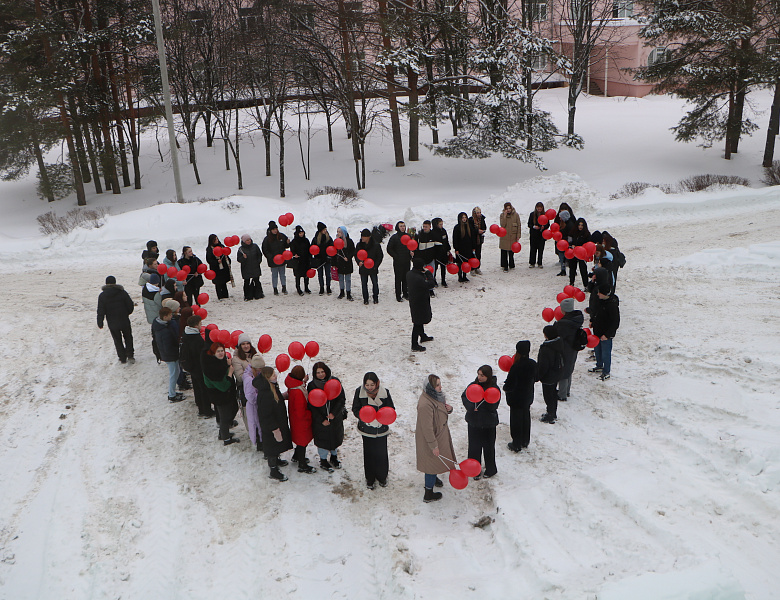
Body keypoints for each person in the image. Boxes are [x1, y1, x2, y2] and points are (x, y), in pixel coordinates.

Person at [415, 374, 455, 503]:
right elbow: (427, 428)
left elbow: (439, 410)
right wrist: (433, 445)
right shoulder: (425, 404)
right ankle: (428, 493)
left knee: (435, 462)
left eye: (440, 384)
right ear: (431, 387)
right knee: (431, 465)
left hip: (439, 434)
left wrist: (449, 409)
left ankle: (434, 477)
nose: (440, 387)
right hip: (431, 438)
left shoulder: (434, 396)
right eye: (437, 385)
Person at [352, 372, 395, 489]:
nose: (369, 387)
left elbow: (391, 408)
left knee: (381, 453)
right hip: (367, 430)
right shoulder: (359, 392)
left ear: (377, 383)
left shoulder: (385, 392)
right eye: (367, 385)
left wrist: (383, 418)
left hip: (381, 429)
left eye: (372, 384)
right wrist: (365, 418)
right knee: (369, 454)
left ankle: (382, 476)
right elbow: (355, 409)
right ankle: (369, 478)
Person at [461, 365, 500, 479]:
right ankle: (474, 470)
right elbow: (465, 397)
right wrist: (472, 407)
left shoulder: (494, 388)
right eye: (478, 374)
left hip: (488, 423)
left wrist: (482, 406)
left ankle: (491, 469)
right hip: (474, 422)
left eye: (482, 375)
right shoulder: (473, 385)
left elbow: (494, 404)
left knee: (488, 447)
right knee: (474, 447)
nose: (479, 377)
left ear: (488, 376)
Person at [307, 361, 346, 472]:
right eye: (318, 372)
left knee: (335, 438)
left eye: (322, 371)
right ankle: (323, 460)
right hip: (321, 421)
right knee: (323, 441)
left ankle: (334, 457)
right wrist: (321, 419)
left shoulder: (335, 382)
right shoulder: (312, 385)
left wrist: (334, 413)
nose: (321, 374)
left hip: (335, 418)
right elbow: (311, 405)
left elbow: (341, 399)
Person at [255, 366, 293, 481]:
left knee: (276, 446)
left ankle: (277, 460)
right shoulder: (266, 393)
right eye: (273, 375)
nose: (275, 376)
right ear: (267, 378)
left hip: (277, 423)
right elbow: (266, 414)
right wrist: (274, 429)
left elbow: (275, 400)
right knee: (272, 448)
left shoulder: (271, 387)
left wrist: (283, 396)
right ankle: (273, 470)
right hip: (271, 427)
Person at [201, 342, 240, 445]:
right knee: (224, 417)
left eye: (222, 350)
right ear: (213, 353)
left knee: (232, 410)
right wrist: (230, 372)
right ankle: (226, 439)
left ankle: (223, 433)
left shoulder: (220, 361)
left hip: (227, 395)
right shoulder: (211, 369)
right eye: (218, 351)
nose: (221, 353)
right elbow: (223, 386)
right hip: (220, 396)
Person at [503, 341, 536, 452]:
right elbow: (536, 377)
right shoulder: (532, 363)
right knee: (526, 417)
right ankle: (525, 440)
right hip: (528, 396)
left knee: (516, 420)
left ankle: (516, 443)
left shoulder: (516, 366)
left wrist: (505, 388)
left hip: (516, 398)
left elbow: (509, 384)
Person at [180, 314, 213, 418]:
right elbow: (200, 354)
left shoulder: (186, 334)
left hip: (191, 367)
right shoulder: (196, 339)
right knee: (203, 389)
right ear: (196, 325)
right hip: (198, 367)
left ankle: (201, 408)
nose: (201, 325)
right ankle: (207, 410)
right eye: (200, 323)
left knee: (197, 388)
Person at [285, 365, 317, 473]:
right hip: (301, 421)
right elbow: (300, 411)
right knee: (303, 442)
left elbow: (299, 385)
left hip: (295, 420)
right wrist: (310, 414)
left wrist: (304, 381)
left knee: (300, 440)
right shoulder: (298, 392)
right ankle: (302, 464)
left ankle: (296, 456)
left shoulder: (293, 386)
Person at [97, 275, 135, 364]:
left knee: (117, 339)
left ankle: (122, 357)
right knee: (128, 337)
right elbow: (130, 305)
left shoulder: (102, 296)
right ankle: (130, 355)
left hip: (112, 321)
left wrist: (100, 322)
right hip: (124, 319)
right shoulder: (122, 292)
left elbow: (101, 310)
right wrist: (127, 313)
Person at [152, 307, 185, 403]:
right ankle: (172, 395)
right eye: (170, 315)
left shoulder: (159, 325)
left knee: (176, 372)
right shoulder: (164, 331)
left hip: (168, 354)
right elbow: (168, 346)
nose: (172, 316)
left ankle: (173, 392)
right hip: (170, 356)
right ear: (165, 316)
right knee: (174, 374)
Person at [555, 297, 584, 402]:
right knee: (569, 367)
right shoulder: (577, 319)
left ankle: (562, 394)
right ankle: (567, 390)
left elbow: (558, 335)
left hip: (565, 348)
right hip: (573, 348)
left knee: (563, 370)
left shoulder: (563, 324)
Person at [589, 284, 620, 380]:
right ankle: (599, 365)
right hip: (597, 331)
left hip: (605, 335)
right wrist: (592, 321)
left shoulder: (612, 306)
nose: (597, 294)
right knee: (598, 351)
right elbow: (597, 314)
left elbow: (615, 322)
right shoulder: (601, 301)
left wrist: (607, 335)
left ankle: (606, 371)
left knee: (606, 353)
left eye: (599, 293)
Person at [406, 257, 436, 352]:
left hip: (415, 300)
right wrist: (428, 273)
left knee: (419, 319)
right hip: (420, 302)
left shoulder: (410, 273)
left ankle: (422, 336)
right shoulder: (418, 278)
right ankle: (414, 344)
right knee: (417, 323)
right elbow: (431, 284)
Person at [536, 325, 565, 424]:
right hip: (557, 373)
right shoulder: (559, 344)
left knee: (548, 396)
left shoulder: (546, 349)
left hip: (548, 376)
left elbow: (543, 365)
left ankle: (550, 415)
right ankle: (553, 413)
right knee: (553, 394)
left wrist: (538, 375)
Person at [243, 355, 266, 452]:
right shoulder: (249, 380)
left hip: (258, 406)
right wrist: (262, 396)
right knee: (256, 426)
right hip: (253, 407)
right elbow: (251, 397)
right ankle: (260, 444)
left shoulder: (255, 375)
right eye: (259, 369)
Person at [355, 228, 384, 305]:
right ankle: (365, 298)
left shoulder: (376, 245)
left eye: (364, 236)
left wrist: (375, 265)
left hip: (372, 267)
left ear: (369, 237)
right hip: (363, 268)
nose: (362, 238)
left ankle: (375, 297)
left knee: (374, 283)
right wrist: (358, 262)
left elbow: (380, 256)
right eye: (362, 236)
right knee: (364, 284)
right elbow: (356, 255)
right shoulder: (359, 245)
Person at [261, 221, 290, 295]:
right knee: (274, 275)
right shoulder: (267, 239)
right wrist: (270, 257)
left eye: (276, 229)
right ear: (270, 230)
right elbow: (265, 249)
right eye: (273, 229)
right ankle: (275, 288)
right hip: (273, 260)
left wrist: (288, 243)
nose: (275, 230)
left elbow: (286, 246)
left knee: (282, 274)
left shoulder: (282, 236)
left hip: (282, 259)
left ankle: (284, 287)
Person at [386, 221, 412, 302]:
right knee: (398, 279)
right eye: (401, 226)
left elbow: (412, 246)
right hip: (398, 262)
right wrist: (396, 256)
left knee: (406, 278)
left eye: (404, 226)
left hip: (407, 260)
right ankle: (398, 295)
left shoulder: (408, 236)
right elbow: (389, 248)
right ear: (398, 227)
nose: (403, 227)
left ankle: (405, 293)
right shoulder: (394, 237)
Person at [236, 234, 264, 301]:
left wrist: (258, 262)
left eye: (249, 239)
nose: (249, 241)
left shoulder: (255, 246)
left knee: (257, 281)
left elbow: (259, 255)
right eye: (247, 240)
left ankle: (259, 294)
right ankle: (248, 296)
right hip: (246, 268)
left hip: (255, 267)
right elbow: (239, 259)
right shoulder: (241, 249)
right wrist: (243, 258)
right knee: (247, 282)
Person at [142, 273, 163, 361]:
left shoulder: (145, 289)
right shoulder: (156, 294)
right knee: (158, 336)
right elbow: (160, 304)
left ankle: (156, 353)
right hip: (156, 315)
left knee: (154, 335)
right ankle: (159, 353)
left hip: (150, 314)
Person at [206, 234, 232, 300]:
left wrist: (228, 261)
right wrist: (216, 262)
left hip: (223, 267)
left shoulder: (221, 246)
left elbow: (226, 254)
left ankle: (225, 295)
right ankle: (220, 296)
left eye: (217, 239)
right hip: (216, 269)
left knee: (223, 282)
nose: (216, 241)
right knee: (218, 283)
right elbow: (209, 259)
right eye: (215, 240)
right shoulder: (209, 249)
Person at [452, 212, 476, 283]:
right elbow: (455, 239)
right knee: (460, 262)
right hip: (460, 248)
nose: (464, 219)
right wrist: (456, 248)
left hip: (468, 248)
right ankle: (460, 276)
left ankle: (465, 276)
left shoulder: (469, 226)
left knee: (466, 262)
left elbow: (473, 237)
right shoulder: (457, 227)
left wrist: (473, 247)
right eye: (463, 218)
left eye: (465, 217)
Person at [289, 225, 312, 296]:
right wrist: (294, 254)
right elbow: (292, 250)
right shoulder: (294, 241)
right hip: (298, 261)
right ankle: (298, 288)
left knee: (306, 275)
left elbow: (309, 249)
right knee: (298, 275)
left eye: (302, 233)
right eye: (300, 233)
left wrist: (310, 258)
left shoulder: (306, 240)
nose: (301, 234)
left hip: (305, 260)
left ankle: (306, 287)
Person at [312, 222, 334, 295]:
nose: (325, 231)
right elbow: (312, 248)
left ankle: (328, 287)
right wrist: (316, 255)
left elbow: (332, 247)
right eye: (324, 229)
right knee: (320, 274)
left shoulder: (328, 238)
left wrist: (329, 256)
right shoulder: (316, 238)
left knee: (328, 274)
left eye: (326, 229)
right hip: (319, 259)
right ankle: (321, 287)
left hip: (327, 259)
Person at [499, 202, 522, 271]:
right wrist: (505, 216)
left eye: (509, 208)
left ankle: (511, 264)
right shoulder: (502, 215)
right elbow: (502, 225)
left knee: (511, 251)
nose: (508, 210)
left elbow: (519, 225)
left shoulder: (516, 215)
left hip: (513, 236)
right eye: (507, 208)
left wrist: (518, 235)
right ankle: (505, 266)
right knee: (504, 252)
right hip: (504, 237)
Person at [334, 226, 355, 301]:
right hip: (340, 263)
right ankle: (342, 292)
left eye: (340, 232)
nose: (338, 233)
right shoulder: (336, 241)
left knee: (348, 278)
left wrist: (348, 257)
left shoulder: (349, 241)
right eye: (337, 232)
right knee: (341, 278)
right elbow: (334, 252)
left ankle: (348, 292)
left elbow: (353, 251)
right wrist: (334, 263)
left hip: (347, 262)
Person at [569, 218, 591, 287]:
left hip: (582, 254)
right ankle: (571, 283)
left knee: (583, 269)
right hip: (573, 253)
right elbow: (569, 241)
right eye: (579, 225)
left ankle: (586, 285)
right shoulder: (572, 232)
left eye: (582, 225)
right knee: (572, 268)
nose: (580, 227)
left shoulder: (587, 234)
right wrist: (571, 245)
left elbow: (589, 244)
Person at [554, 204, 576, 276]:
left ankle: (571, 270)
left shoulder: (569, 224)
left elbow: (570, 235)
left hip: (566, 243)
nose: (559, 218)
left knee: (569, 258)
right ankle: (563, 270)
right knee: (562, 256)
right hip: (562, 243)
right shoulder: (565, 223)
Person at [431, 217, 451, 287]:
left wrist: (448, 248)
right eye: (440, 224)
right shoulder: (433, 232)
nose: (441, 226)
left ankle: (443, 280)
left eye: (442, 224)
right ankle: (434, 279)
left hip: (444, 252)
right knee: (435, 267)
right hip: (436, 253)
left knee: (443, 266)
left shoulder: (443, 231)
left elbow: (446, 240)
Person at [527, 201, 548, 268]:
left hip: (541, 235)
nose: (539, 210)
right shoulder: (532, 214)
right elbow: (529, 224)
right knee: (533, 249)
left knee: (541, 249)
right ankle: (532, 262)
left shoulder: (545, 215)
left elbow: (548, 224)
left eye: (540, 209)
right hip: (534, 235)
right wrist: (533, 226)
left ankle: (539, 262)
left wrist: (544, 227)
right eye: (538, 208)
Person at [468, 207, 486, 274]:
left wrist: (482, 230)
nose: (479, 214)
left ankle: (477, 267)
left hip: (479, 239)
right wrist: (477, 231)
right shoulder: (471, 220)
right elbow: (470, 229)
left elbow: (484, 227)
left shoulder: (482, 219)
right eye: (478, 213)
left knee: (478, 254)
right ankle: (472, 268)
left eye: (480, 212)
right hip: (473, 239)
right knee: (472, 254)